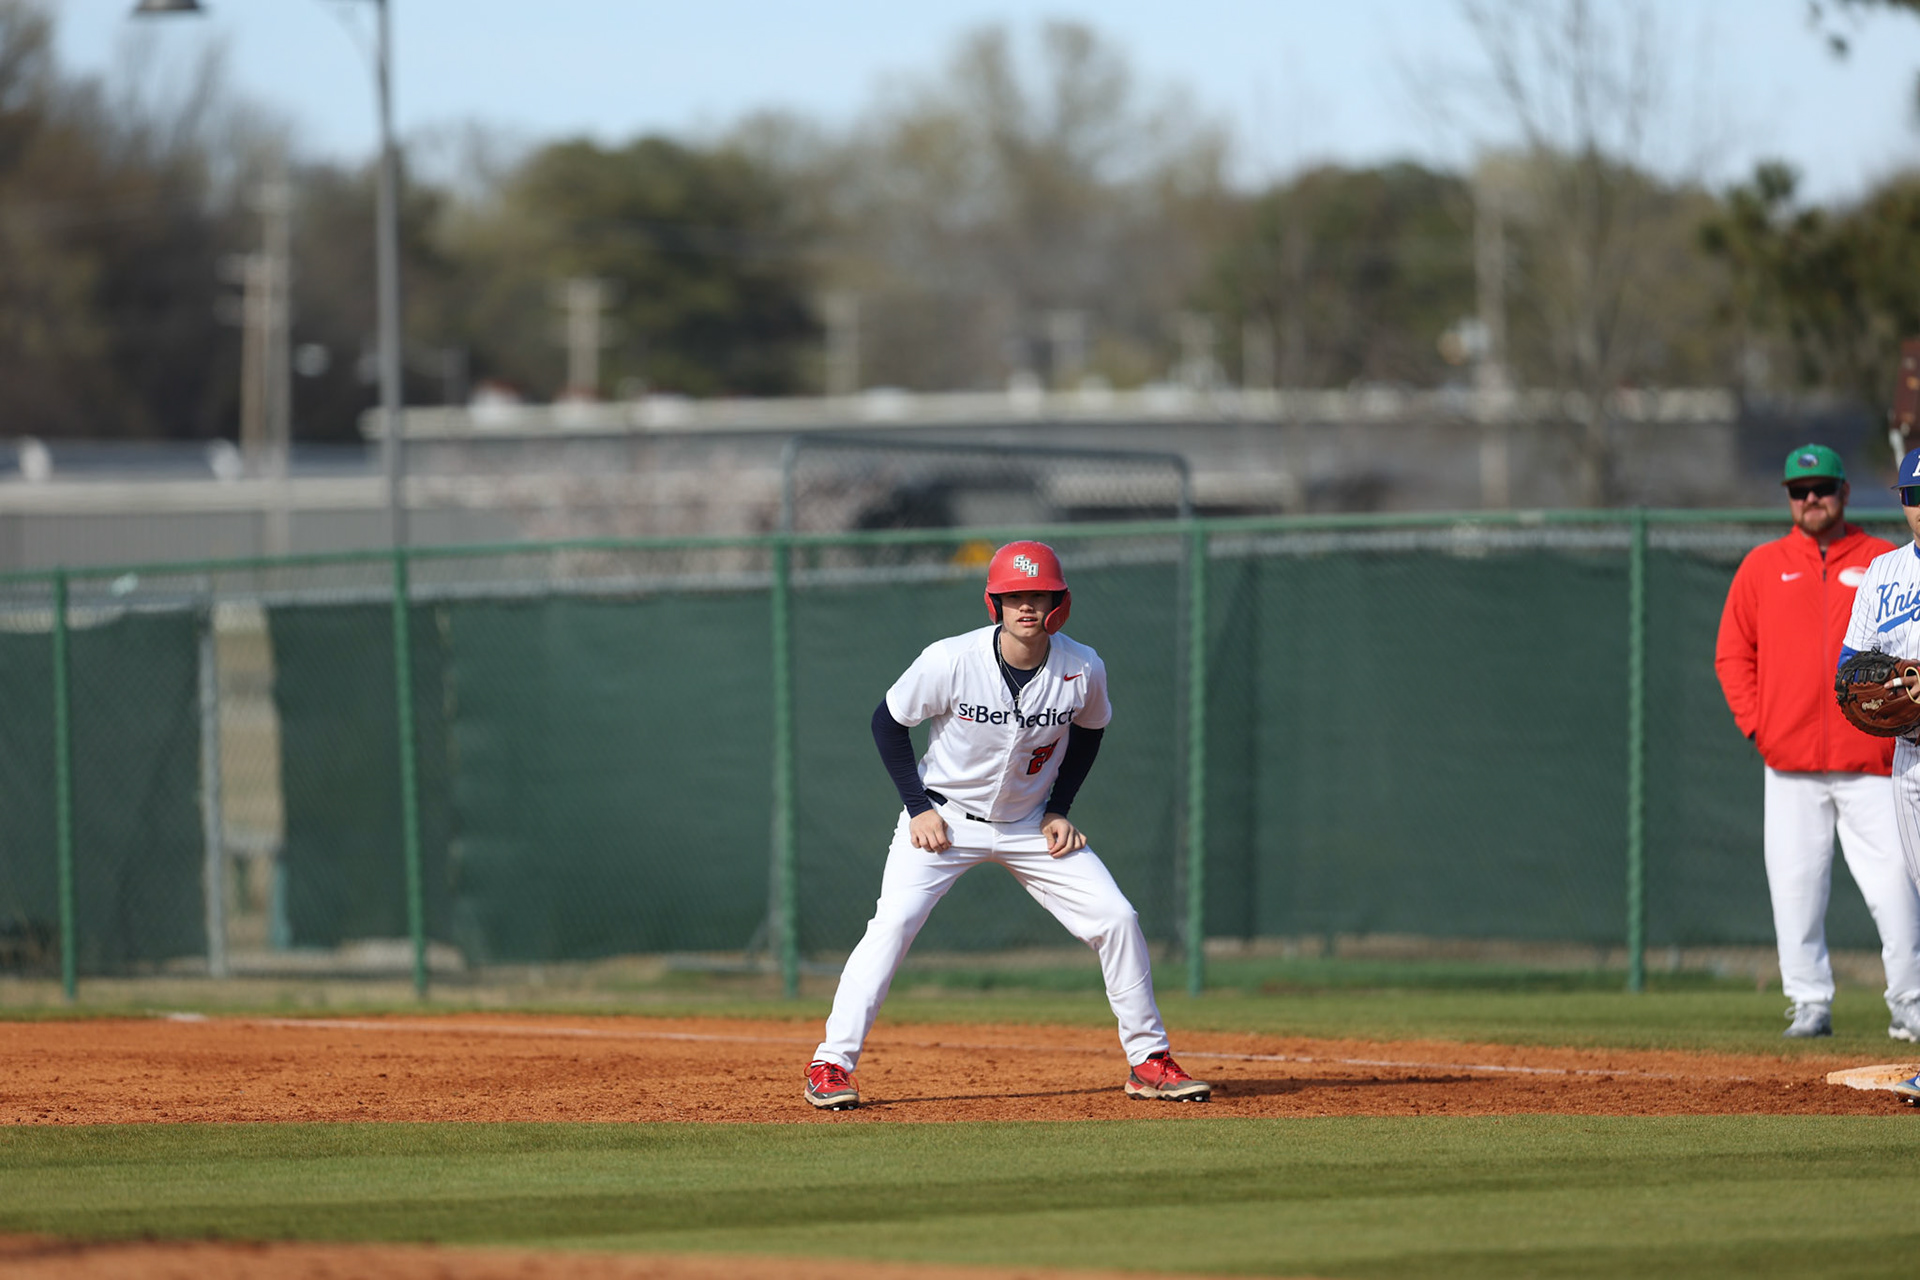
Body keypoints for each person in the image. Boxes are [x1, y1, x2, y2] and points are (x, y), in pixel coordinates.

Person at [803, 540, 1210, 1110]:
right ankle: (830, 1065)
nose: (1025, 607)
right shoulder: (951, 659)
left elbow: (1090, 733)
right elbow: (887, 722)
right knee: (892, 926)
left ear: (1057, 603)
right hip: (942, 820)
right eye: (1013, 596)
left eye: (1036, 595)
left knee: (1117, 918)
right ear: (994, 602)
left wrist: (1058, 809)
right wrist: (918, 807)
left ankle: (1149, 1060)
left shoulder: (1082, 666)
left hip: (1027, 826)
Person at [1717, 443, 1920, 1041]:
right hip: (1790, 763)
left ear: (1845, 492)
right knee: (1795, 889)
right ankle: (1809, 1002)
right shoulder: (1762, 565)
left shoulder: (1881, 560)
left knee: (1897, 893)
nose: (1812, 499)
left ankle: (1910, 1006)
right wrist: (1761, 725)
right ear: (1787, 497)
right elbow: (1732, 654)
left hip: (1875, 760)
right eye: (1800, 491)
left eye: (1823, 488)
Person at [1842, 446, 1920, 1098]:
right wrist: (1880, 686)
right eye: (1915, 496)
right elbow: (1852, 665)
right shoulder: (1883, 573)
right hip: (1912, 756)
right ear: (1902, 501)